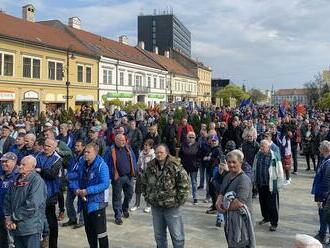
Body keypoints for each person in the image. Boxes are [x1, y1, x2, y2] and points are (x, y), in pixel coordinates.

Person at [141, 144, 189, 248]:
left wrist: (178, 201)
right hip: (156, 207)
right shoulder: (150, 167)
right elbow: (143, 183)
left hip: (172, 207)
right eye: (157, 152)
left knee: (177, 235)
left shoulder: (175, 166)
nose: (159, 154)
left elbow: (184, 185)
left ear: (166, 153)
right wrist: (147, 197)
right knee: (159, 235)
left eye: (161, 152)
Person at [70, 142, 110, 248]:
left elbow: (105, 184)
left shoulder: (102, 165)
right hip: (84, 202)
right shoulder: (82, 162)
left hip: (97, 203)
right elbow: (73, 176)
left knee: (101, 233)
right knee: (89, 231)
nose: (85, 154)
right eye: (85, 152)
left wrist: (88, 191)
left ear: (95, 153)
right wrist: (75, 189)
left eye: (88, 152)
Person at [4, 155, 47, 248]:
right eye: (20, 164)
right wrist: (8, 217)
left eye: (24, 164)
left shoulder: (37, 181)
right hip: (16, 227)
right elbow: (7, 198)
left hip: (31, 229)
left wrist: (13, 217)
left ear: (32, 167)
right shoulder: (16, 179)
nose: (20, 166)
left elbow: (32, 205)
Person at [216, 150, 255, 248]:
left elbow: (239, 202)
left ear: (240, 163)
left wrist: (224, 208)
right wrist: (218, 200)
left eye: (234, 162)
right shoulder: (228, 176)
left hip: (241, 222)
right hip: (230, 220)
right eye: (229, 162)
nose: (231, 165)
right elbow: (222, 191)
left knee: (240, 244)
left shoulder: (244, 179)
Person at [103, 134, 137, 225]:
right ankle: (118, 215)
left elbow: (133, 159)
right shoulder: (110, 150)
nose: (123, 142)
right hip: (118, 178)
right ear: (116, 141)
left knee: (129, 194)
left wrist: (135, 170)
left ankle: (124, 208)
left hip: (129, 176)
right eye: (121, 140)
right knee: (117, 197)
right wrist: (111, 175)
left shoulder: (128, 148)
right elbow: (105, 164)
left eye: (124, 140)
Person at [36, 138, 63, 248]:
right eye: (45, 145)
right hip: (38, 191)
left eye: (48, 146)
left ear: (54, 148)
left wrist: (40, 170)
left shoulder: (57, 159)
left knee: (51, 219)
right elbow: (33, 167)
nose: (45, 148)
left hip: (50, 193)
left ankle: (53, 244)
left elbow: (52, 174)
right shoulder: (39, 155)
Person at [254, 139, 284, 232]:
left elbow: (280, 172)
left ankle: (274, 223)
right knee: (263, 203)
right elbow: (254, 167)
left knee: (273, 205)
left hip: (271, 185)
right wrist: (254, 182)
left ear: (268, 147)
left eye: (263, 146)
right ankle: (266, 218)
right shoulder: (258, 155)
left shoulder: (275, 156)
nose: (261, 148)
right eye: (261, 146)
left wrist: (278, 186)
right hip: (261, 183)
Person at [63, 139, 85, 228]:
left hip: (79, 184)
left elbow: (81, 172)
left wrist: (69, 176)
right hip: (71, 184)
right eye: (75, 145)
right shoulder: (74, 156)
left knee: (82, 203)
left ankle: (82, 221)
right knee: (68, 202)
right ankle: (72, 219)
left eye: (78, 146)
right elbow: (69, 166)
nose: (76, 147)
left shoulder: (84, 158)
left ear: (83, 146)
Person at [311, 140, 330, 244]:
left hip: (325, 197)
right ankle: (321, 233)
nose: (319, 150)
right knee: (322, 215)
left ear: (324, 149)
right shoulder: (325, 159)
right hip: (323, 195)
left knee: (325, 216)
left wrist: (321, 198)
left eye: (320, 148)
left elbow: (326, 182)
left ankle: (323, 235)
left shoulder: (328, 162)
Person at [0, 152, 20, 248]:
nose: (3, 164)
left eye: (6, 162)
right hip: (1, 213)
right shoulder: (2, 175)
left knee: (12, 242)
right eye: (2, 162)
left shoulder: (18, 176)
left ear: (14, 162)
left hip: (11, 215)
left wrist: (12, 216)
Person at [130, 139, 155, 213]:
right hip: (140, 173)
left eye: (147, 145)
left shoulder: (153, 154)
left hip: (148, 174)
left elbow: (152, 166)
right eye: (144, 145)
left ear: (150, 146)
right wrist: (137, 171)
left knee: (148, 190)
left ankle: (148, 206)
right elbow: (138, 163)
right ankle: (136, 204)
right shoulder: (141, 153)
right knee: (138, 189)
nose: (145, 146)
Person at [179, 131, 200, 204]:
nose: (191, 139)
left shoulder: (198, 145)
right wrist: (181, 164)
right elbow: (180, 155)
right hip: (185, 166)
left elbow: (199, 155)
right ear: (187, 137)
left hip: (194, 167)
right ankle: (183, 197)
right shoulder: (183, 145)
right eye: (190, 137)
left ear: (195, 138)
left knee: (194, 182)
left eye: (193, 137)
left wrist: (197, 164)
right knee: (184, 183)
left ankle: (195, 197)